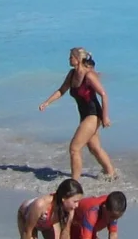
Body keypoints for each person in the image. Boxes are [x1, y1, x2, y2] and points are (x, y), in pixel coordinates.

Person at [39, 47, 117, 180]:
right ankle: (111, 174)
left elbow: (103, 94)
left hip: (93, 115)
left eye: (71, 57)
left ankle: (75, 182)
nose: (69, 59)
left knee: (74, 148)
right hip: (84, 116)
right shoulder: (72, 74)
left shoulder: (89, 75)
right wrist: (47, 102)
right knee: (94, 148)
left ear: (78, 59)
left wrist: (105, 117)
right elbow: (61, 90)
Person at [18, 178, 84, 239]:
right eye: (75, 201)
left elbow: (66, 232)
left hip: (47, 222)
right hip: (27, 216)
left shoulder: (70, 208)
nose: (77, 205)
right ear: (63, 198)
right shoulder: (41, 205)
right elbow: (27, 231)